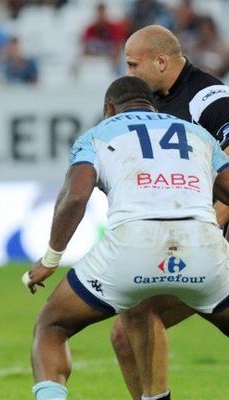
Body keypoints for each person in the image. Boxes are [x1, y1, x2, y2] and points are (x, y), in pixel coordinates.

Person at [25, 75, 229, 400]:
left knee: (52, 327)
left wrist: (50, 259)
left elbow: (74, 198)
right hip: (202, 245)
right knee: (140, 312)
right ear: (153, 105)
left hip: (132, 248)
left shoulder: (96, 135)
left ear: (109, 109)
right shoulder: (197, 134)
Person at [115, 23, 229, 399]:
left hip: (214, 240)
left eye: (133, 65)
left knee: (136, 317)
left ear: (161, 61)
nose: (128, 74)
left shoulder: (208, 96)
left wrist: (210, 225)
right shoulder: (155, 105)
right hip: (197, 245)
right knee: (128, 330)